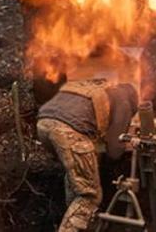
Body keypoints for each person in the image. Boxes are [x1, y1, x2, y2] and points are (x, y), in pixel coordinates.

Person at [36, 77, 139, 232]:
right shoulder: (124, 100)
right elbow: (114, 151)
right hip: (69, 132)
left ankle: (76, 224)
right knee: (89, 196)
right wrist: (128, 143)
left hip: (43, 124)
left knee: (76, 179)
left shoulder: (94, 87)